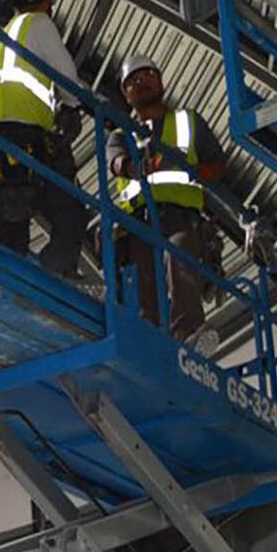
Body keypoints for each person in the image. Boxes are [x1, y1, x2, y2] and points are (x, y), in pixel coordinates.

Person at [106, 55, 226, 351]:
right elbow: (116, 163)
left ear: (160, 80)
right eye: (132, 81)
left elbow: (217, 164)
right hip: (138, 222)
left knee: (179, 258)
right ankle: (151, 345)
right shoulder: (121, 135)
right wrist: (136, 168)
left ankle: (188, 334)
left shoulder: (189, 121)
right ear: (126, 95)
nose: (140, 82)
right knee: (143, 282)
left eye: (146, 74)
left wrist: (198, 172)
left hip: (180, 215)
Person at [0, 0, 86, 278]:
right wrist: (72, 106)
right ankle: (56, 274)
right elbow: (66, 75)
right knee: (71, 212)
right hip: (28, 138)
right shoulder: (39, 24)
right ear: (46, 1)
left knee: (10, 225)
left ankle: (9, 283)